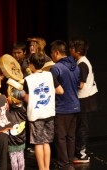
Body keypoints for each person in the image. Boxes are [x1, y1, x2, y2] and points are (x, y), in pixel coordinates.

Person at [23, 53, 64, 170]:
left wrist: (21, 95)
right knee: (46, 142)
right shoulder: (50, 75)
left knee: (38, 143)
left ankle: (42, 169)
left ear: (31, 65)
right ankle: (47, 168)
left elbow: (27, 98)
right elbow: (61, 91)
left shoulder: (28, 79)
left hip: (36, 115)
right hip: (49, 113)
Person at [50, 40, 80, 170]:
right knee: (71, 136)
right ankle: (69, 162)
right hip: (75, 106)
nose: (51, 56)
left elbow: (52, 87)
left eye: (51, 53)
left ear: (56, 53)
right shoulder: (76, 66)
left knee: (60, 137)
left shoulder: (56, 68)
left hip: (62, 108)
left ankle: (63, 164)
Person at [69, 38, 98, 164]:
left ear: (77, 51)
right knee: (80, 127)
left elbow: (80, 85)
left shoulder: (82, 64)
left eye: (72, 48)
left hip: (85, 100)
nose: (70, 50)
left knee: (82, 128)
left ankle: (81, 154)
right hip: (84, 99)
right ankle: (79, 152)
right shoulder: (80, 62)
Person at [7, 86, 27, 170]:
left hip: (11, 140)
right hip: (21, 138)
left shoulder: (9, 111)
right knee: (21, 156)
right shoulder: (24, 110)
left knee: (13, 158)